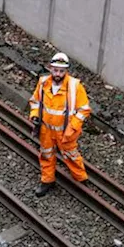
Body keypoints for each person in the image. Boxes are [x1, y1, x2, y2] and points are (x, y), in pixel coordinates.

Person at [28, 52, 90, 196]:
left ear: (66, 71)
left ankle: (81, 179)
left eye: (61, 71)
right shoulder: (43, 83)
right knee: (46, 154)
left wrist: (73, 127)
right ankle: (47, 180)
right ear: (50, 68)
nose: (58, 73)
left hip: (65, 131)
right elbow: (35, 101)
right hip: (46, 130)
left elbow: (84, 109)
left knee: (71, 155)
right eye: (55, 70)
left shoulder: (75, 86)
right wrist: (35, 115)